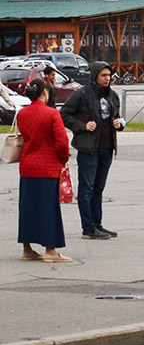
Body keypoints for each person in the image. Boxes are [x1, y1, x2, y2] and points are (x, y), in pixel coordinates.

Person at [60, 62, 125, 240]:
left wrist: (119, 124)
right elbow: (64, 114)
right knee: (87, 188)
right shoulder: (82, 94)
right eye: (103, 75)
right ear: (95, 75)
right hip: (89, 148)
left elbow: (117, 116)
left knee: (99, 188)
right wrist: (82, 125)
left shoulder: (112, 95)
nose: (107, 79)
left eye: (109, 75)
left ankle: (98, 224)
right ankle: (88, 227)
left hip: (107, 147)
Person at [17, 79, 72, 263]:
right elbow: (62, 142)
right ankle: (50, 250)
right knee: (49, 208)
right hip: (48, 166)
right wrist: (64, 158)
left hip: (27, 165)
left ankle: (27, 249)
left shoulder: (22, 114)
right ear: (44, 93)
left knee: (27, 207)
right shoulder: (52, 114)